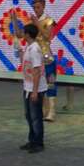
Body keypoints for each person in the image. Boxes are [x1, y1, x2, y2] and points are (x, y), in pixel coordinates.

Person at [32, 0, 63, 121]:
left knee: (50, 83)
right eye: (34, 7)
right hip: (36, 56)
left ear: (43, 7)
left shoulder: (49, 20)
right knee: (39, 83)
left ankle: (52, 111)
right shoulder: (33, 20)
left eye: (38, 7)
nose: (36, 10)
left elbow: (47, 36)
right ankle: (44, 109)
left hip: (46, 56)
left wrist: (37, 24)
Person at [19, 21, 47, 152]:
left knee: (36, 117)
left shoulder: (35, 49)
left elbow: (36, 71)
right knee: (29, 115)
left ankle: (38, 143)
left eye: (24, 33)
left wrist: (35, 92)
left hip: (34, 88)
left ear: (28, 34)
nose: (22, 35)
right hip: (28, 87)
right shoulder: (29, 47)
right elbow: (25, 64)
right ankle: (32, 140)